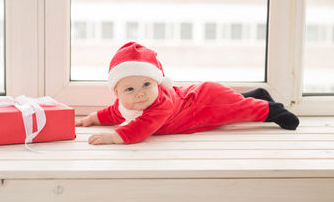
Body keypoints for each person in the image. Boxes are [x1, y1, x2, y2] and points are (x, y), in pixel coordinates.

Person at [75, 41, 299, 145]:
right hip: (201, 97)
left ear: (157, 82)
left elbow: (143, 128)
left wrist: (115, 137)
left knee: (237, 110)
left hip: (205, 102)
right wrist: (92, 119)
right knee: (236, 104)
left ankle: (273, 110)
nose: (140, 94)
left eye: (146, 85)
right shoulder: (124, 105)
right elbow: (113, 113)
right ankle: (257, 94)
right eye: (130, 89)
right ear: (117, 92)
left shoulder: (160, 105)